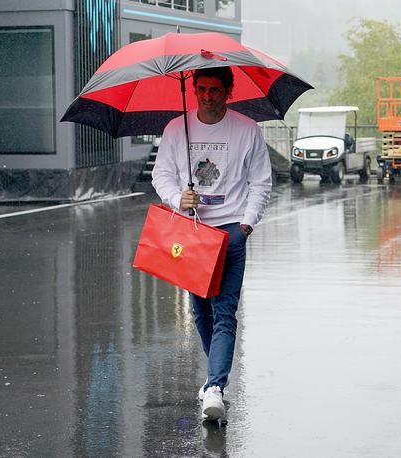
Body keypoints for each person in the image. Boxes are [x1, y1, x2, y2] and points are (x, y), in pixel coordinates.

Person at [151, 67, 272, 421]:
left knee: (224, 312)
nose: (207, 96)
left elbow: (261, 182)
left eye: (215, 90)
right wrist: (177, 199)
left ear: (228, 91)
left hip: (231, 231)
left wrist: (246, 226)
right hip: (192, 233)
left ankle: (215, 386)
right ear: (194, 90)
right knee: (200, 312)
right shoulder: (177, 129)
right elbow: (162, 175)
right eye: (201, 89)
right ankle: (214, 379)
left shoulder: (247, 130)